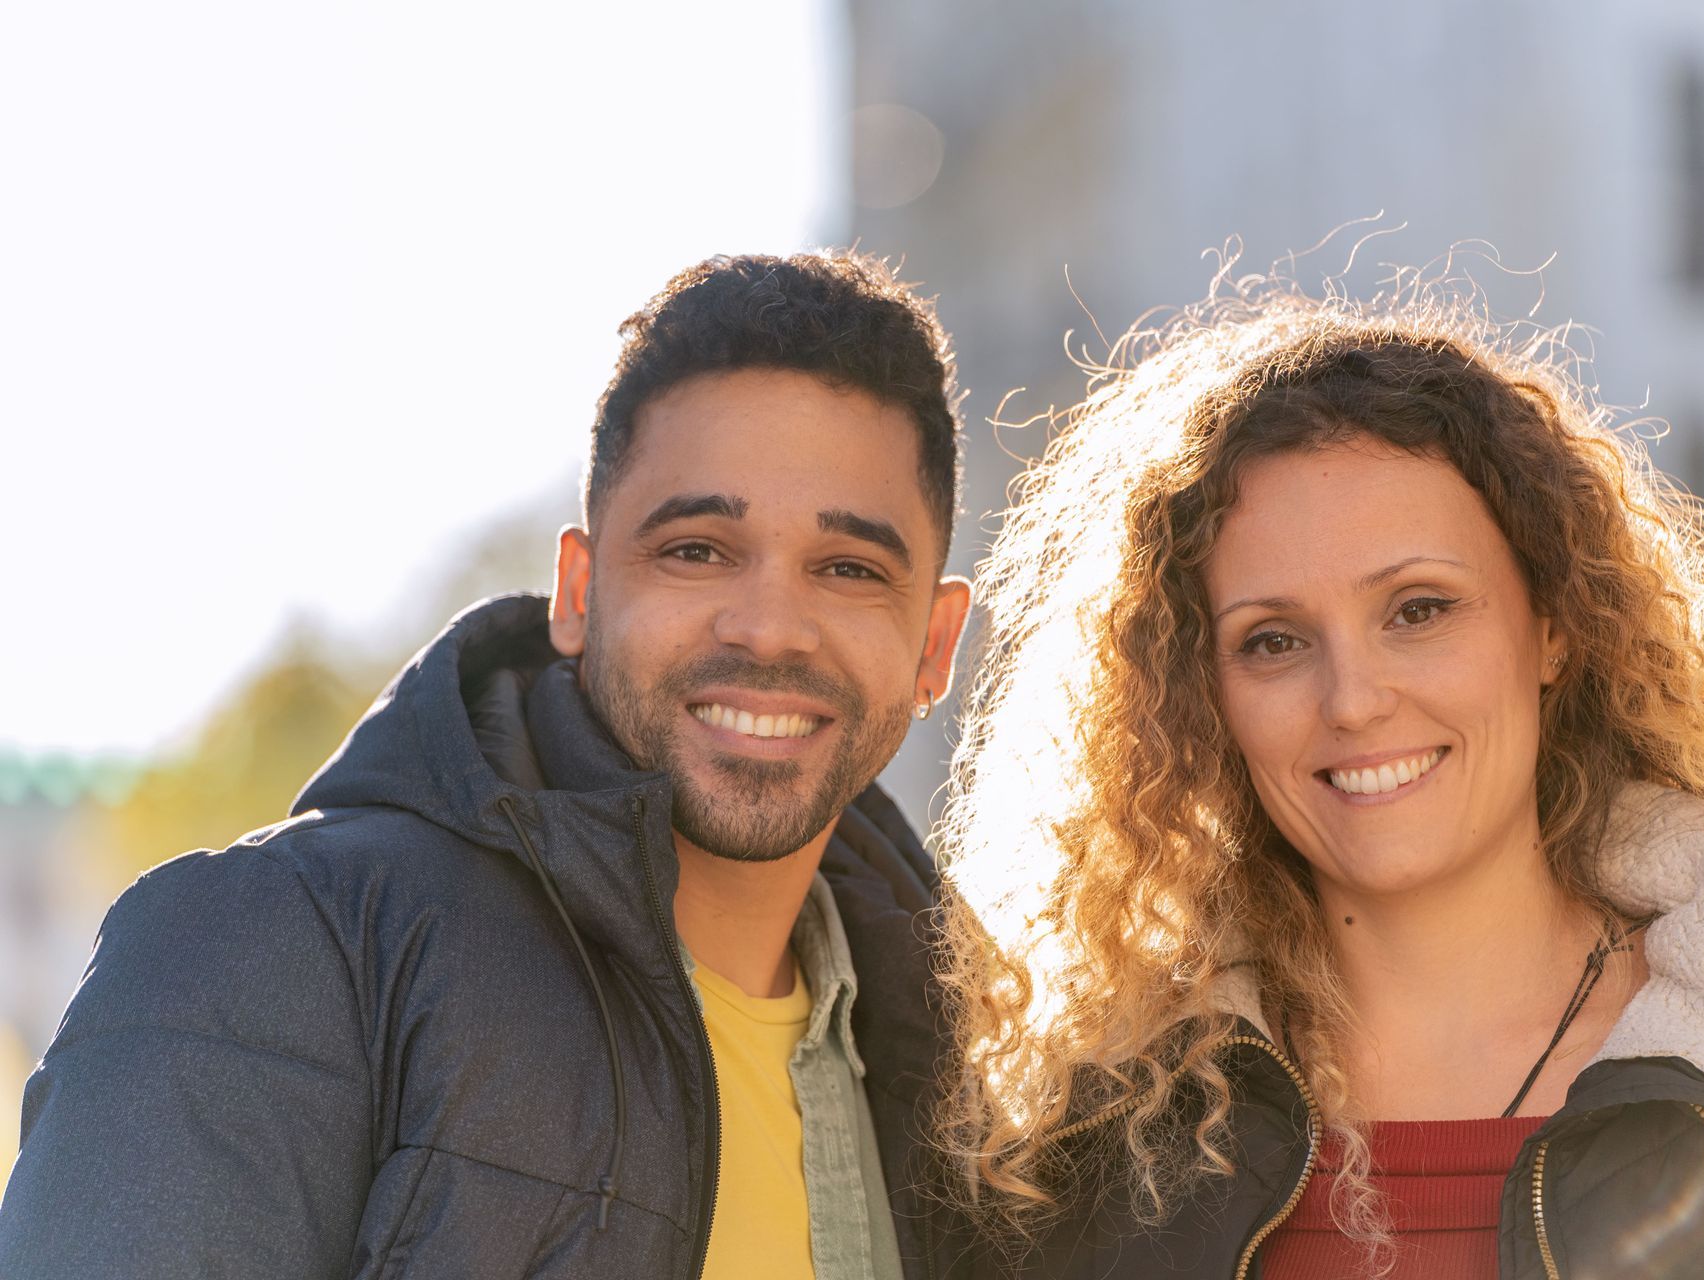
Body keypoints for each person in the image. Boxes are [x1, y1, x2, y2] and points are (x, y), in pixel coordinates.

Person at [0, 252, 974, 1280]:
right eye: (696, 548)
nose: (772, 627)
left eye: (850, 569)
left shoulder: (988, 1090)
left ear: (935, 645)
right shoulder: (272, 949)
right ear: (578, 590)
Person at [933, 278, 1704, 1278]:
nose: (1353, 699)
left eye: (1419, 609)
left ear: (1553, 625)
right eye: (1272, 640)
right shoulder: (1083, 1146)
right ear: (1199, 699)